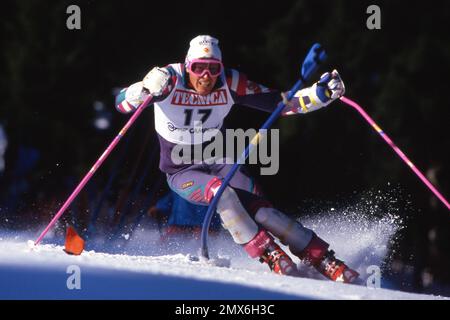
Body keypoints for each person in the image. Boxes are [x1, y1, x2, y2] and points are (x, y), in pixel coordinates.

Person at [115, 35, 358, 283]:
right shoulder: (167, 81)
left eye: (213, 68)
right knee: (221, 192)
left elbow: (279, 103)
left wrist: (321, 95)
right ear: (188, 66)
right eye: (198, 68)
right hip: (182, 170)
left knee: (265, 214)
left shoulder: (230, 82)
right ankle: (269, 254)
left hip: (219, 162)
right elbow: (121, 103)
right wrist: (142, 90)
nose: (206, 76)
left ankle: (325, 260)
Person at [148, 190, 221, 241]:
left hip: (203, 224)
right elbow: (169, 199)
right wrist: (159, 208)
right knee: (166, 242)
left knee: (201, 241)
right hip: (179, 222)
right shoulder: (179, 181)